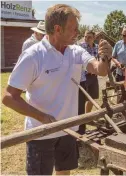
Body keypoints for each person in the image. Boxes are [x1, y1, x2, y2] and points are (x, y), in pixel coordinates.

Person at [2, 4, 113, 175]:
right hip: (40, 133)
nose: (77, 32)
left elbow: (100, 70)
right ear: (57, 29)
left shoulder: (75, 52)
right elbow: (9, 97)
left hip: (68, 129)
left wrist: (105, 57)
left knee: (64, 173)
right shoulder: (34, 55)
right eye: (73, 28)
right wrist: (42, 117)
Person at [77, 30, 99, 135]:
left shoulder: (96, 47)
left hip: (93, 76)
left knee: (93, 97)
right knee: (83, 98)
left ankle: (87, 116)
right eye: (85, 37)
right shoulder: (81, 46)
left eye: (89, 37)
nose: (86, 39)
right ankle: (84, 119)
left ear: (93, 38)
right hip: (84, 76)